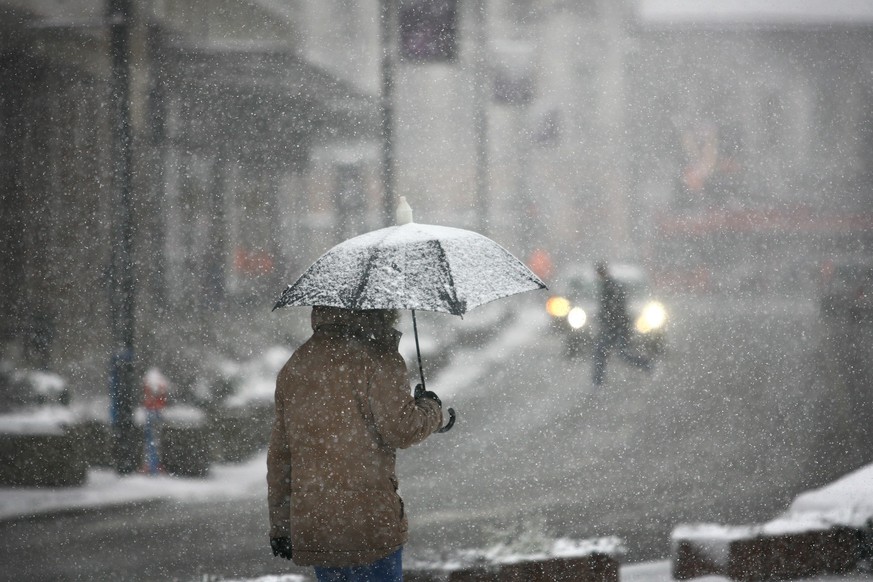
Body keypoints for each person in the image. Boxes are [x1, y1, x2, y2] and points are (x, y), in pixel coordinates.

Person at [267, 306, 443, 581]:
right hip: (370, 522)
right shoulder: (379, 358)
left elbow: (281, 456)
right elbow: (402, 429)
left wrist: (280, 525)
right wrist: (431, 407)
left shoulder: (297, 363)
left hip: (318, 525)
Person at [592, 261, 651, 386]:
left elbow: (615, 309)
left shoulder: (610, 287)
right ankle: (597, 381)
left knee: (615, 353)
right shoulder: (609, 286)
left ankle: (647, 364)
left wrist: (609, 321)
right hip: (616, 326)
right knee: (609, 353)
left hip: (616, 327)